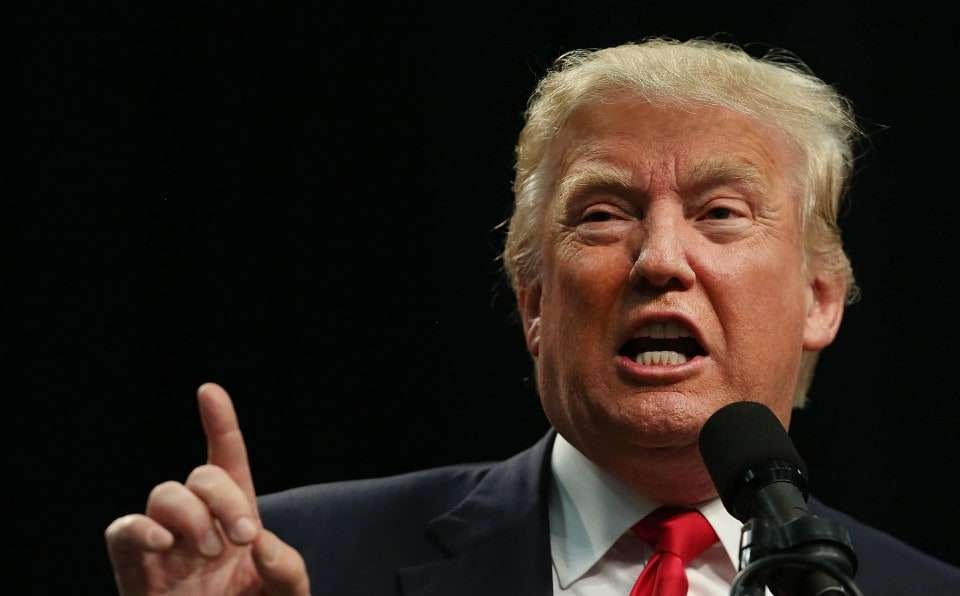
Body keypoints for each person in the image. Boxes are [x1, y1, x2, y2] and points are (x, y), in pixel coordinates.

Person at [105, 39, 960, 595]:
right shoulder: (300, 560)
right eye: (602, 215)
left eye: (721, 213)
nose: (660, 259)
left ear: (819, 297)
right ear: (534, 302)